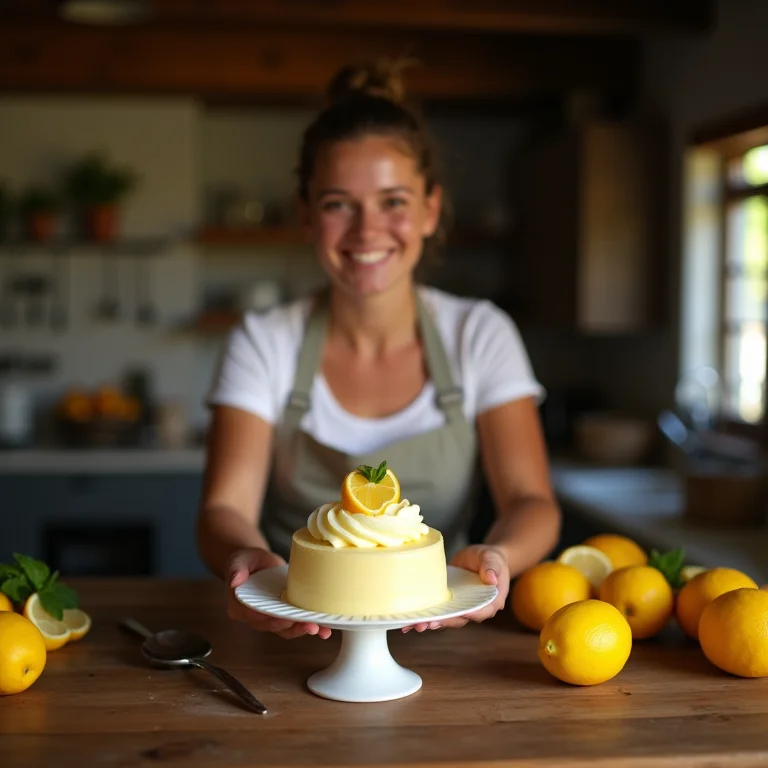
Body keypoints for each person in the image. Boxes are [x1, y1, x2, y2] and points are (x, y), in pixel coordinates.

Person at [196, 60, 561, 640]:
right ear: (307, 214)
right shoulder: (263, 341)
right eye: (339, 203)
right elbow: (224, 509)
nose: (367, 231)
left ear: (429, 210)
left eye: (393, 201)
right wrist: (251, 563)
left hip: (446, 636)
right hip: (292, 635)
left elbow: (530, 500)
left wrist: (499, 559)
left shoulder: (480, 334)